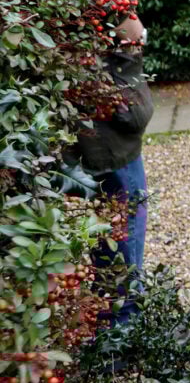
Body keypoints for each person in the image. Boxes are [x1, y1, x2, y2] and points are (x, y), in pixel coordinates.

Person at [69, 15, 152, 290]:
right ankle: (122, 326)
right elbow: (133, 116)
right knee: (121, 276)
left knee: (102, 263)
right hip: (109, 152)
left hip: (70, 158)